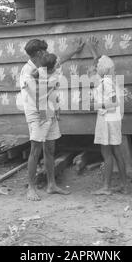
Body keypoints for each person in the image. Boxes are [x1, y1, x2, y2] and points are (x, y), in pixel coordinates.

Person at [19, 38, 84, 201]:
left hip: (50, 110)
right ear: (39, 54)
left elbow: (61, 58)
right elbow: (36, 96)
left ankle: (51, 184)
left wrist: (75, 50)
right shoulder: (27, 72)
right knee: (36, 149)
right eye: (45, 51)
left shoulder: (48, 63)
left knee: (50, 148)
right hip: (37, 113)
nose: (48, 54)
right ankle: (31, 188)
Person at [87, 37, 127, 195]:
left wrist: (96, 106)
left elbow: (114, 102)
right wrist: (94, 50)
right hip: (112, 119)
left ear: (101, 70)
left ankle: (106, 187)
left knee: (107, 153)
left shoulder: (106, 83)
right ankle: (124, 185)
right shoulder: (109, 80)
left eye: (96, 67)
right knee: (116, 151)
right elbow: (99, 62)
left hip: (107, 119)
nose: (94, 68)